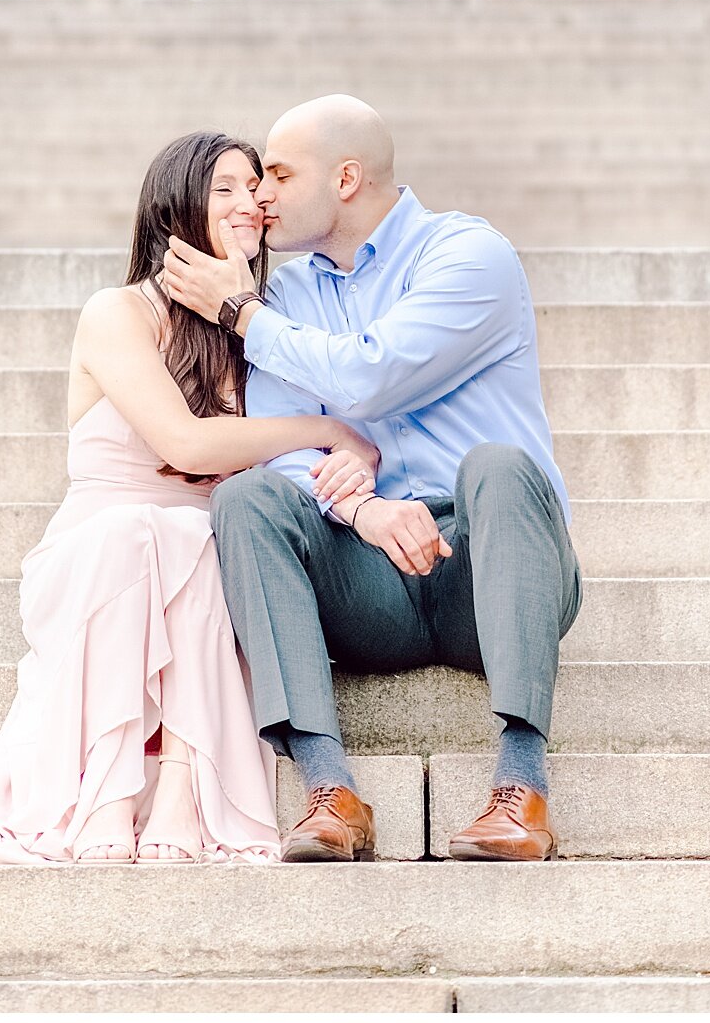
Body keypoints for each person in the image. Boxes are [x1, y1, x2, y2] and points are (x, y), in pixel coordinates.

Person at [0, 130, 378, 868]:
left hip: (199, 554)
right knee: (141, 533)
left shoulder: (264, 327)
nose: (250, 201)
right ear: (171, 211)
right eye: (225, 188)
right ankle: (110, 797)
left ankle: (182, 791)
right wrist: (327, 428)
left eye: (256, 186)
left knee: (211, 535)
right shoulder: (116, 313)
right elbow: (182, 445)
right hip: (100, 550)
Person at [162, 95, 582, 864]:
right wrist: (365, 511)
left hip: (488, 568)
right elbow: (289, 442)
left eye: (280, 175)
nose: (259, 195)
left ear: (346, 177)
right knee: (247, 494)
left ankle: (522, 788)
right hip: (370, 580)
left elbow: (372, 376)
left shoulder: (468, 255)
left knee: (499, 464)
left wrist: (240, 314)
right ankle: (330, 793)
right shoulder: (290, 294)